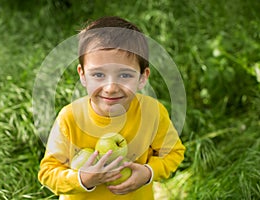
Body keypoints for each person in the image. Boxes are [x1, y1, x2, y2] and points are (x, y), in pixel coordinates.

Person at [38, 16, 185, 200]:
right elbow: (47, 172)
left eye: (124, 75)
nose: (111, 87)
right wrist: (82, 179)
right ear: (83, 75)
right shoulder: (69, 118)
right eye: (98, 74)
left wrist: (148, 173)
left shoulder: (152, 112)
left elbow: (173, 152)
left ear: (142, 77)